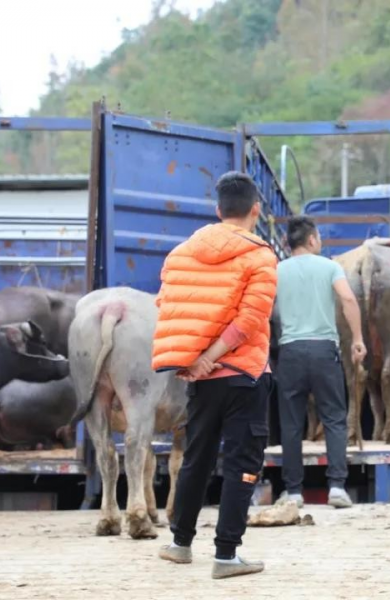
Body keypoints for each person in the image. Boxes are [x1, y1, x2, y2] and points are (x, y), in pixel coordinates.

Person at [153, 171, 277, 579]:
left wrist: (196, 359)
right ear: (255, 211)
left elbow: (169, 309)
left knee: (197, 456)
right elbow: (250, 318)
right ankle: (226, 555)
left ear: (217, 209)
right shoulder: (260, 255)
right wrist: (214, 354)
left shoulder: (180, 254)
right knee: (243, 461)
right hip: (244, 372)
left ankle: (180, 543)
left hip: (200, 379)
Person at [273, 216, 367, 509]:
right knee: (335, 419)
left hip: (290, 352)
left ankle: (293, 491)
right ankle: (337, 487)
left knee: (290, 423)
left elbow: (263, 308)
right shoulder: (330, 267)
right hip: (324, 351)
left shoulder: (276, 271)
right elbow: (349, 300)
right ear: (312, 240)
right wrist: (357, 339)